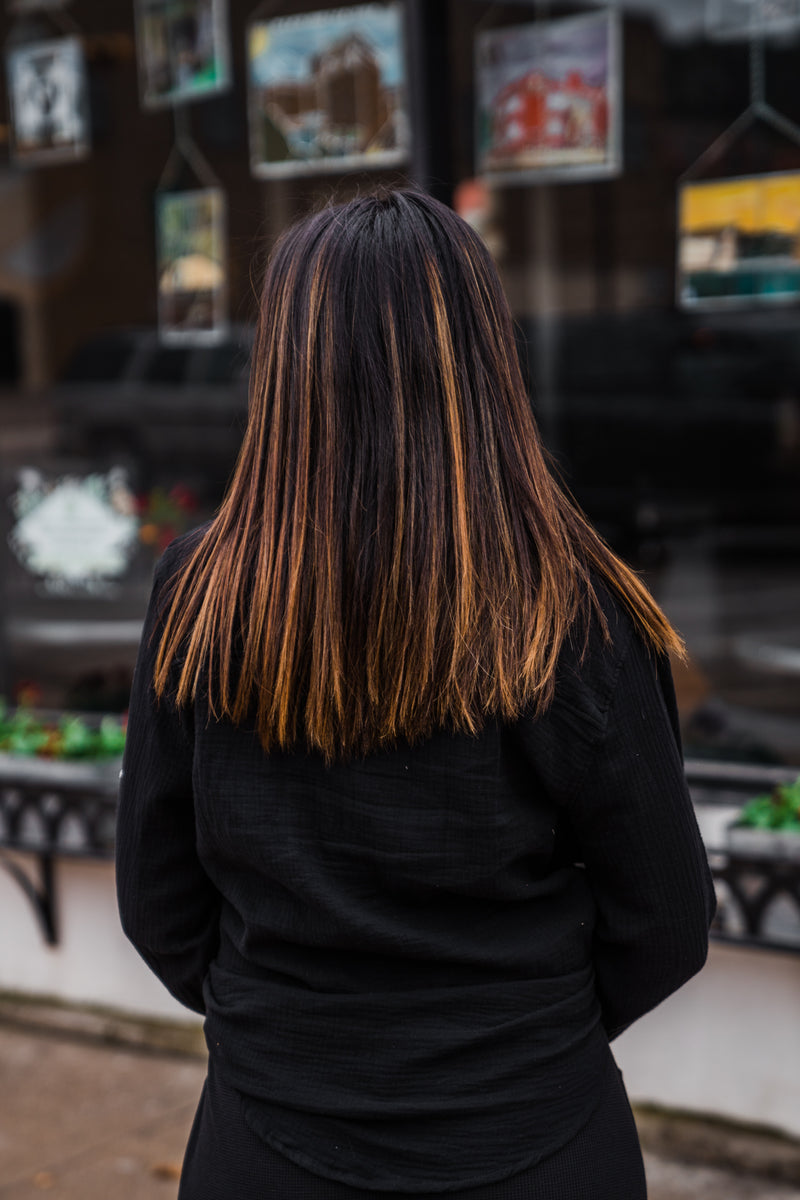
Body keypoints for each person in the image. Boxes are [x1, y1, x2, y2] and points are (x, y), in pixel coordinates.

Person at [116, 188, 716, 1200]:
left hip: (269, 1142)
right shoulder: (578, 606)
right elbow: (663, 919)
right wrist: (517, 1044)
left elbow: (156, 901)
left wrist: (292, 1035)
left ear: (288, 367)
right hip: (537, 1136)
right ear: (485, 358)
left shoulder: (199, 593)